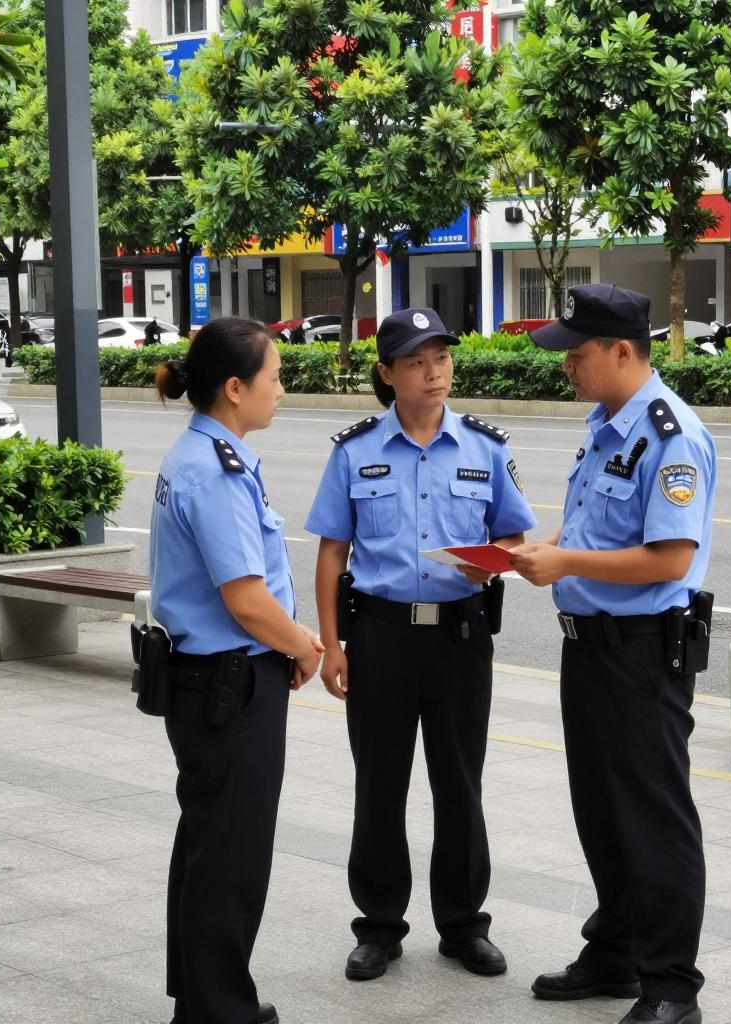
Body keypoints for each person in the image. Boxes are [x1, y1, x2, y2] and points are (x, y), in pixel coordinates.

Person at [304, 307, 536, 983]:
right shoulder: (355, 451)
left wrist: (492, 559)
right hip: (378, 637)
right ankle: (379, 926)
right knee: (380, 786)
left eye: (441, 358)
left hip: (460, 639)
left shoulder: (487, 448)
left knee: (460, 786)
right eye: (415, 361)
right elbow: (331, 551)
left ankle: (464, 925)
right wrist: (331, 642)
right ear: (388, 373)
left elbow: (519, 539)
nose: (433, 372)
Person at [509, 284, 716, 1024]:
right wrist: (548, 551)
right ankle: (618, 950)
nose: (566, 364)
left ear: (622, 352)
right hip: (590, 650)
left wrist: (563, 565)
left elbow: (667, 559)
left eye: (578, 352)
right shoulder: (606, 425)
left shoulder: (670, 436)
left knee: (654, 819)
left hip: (641, 654)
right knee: (601, 811)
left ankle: (670, 986)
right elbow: (596, 533)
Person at [148, 316, 325, 1024]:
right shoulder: (213, 473)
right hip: (229, 686)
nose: (281, 390)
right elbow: (247, 601)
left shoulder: (204, 455)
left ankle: (199, 1002)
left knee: (207, 846)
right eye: (274, 378)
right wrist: (304, 645)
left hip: (211, 683)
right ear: (233, 388)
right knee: (231, 859)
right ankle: (221, 1011)